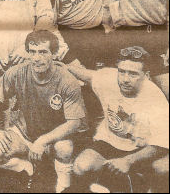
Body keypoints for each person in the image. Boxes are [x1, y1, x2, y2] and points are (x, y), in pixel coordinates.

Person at [0, 30, 87, 192]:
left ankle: (63, 185)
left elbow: (74, 123)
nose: (37, 58)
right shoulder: (18, 72)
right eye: (32, 52)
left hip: (54, 138)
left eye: (43, 52)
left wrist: (43, 141)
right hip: (25, 134)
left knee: (64, 148)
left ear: (54, 54)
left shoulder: (67, 80)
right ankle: (27, 166)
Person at [63, 46, 169, 193]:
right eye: (122, 72)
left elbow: (160, 145)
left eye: (133, 74)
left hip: (140, 150)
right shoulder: (109, 78)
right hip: (110, 142)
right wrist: (62, 66)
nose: (125, 79)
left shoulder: (156, 99)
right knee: (81, 166)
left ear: (147, 75)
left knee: (161, 169)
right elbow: (87, 75)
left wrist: (128, 161)